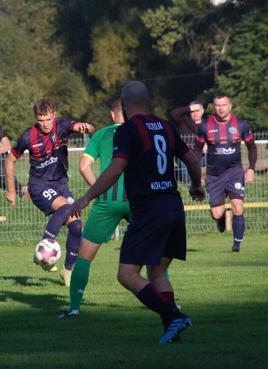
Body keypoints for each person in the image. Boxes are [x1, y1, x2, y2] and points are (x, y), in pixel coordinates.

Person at [71, 81, 205, 344]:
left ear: (122, 102)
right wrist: (197, 185)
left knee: (127, 275)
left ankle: (173, 314)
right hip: (174, 207)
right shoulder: (166, 126)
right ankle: (173, 332)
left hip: (149, 209)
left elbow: (115, 168)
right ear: (148, 101)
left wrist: (87, 196)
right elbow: (192, 159)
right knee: (157, 272)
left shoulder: (128, 130)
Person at [5, 98, 94, 287]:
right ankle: (43, 250)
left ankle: (67, 271)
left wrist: (86, 127)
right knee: (67, 208)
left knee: (77, 226)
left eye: (48, 119)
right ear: (36, 119)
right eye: (41, 120)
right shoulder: (28, 136)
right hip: (39, 186)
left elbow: (78, 126)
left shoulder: (61, 125)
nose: (45, 124)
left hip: (61, 185)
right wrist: (11, 191)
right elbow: (10, 161)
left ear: (54, 114)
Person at [59, 96, 131, 318]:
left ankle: (74, 307)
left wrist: (101, 187)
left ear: (112, 114)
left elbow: (83, 166)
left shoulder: (101, 134)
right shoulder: (139, 132)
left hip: (107, 202)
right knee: (152, 252)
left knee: (84, 256)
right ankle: (168, 303)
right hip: (136, 200)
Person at [194, 94, 257, 252]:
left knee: (237, 206)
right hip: (214, 175)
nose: (220, 108)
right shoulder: (204, 126)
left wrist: (251, 169)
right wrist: (195, 174)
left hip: (234, 171)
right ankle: (220, 219)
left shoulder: (240, 125)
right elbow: (196, 150)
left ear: (230, 106)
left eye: (223, 105)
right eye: (217, 105)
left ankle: (236, 245)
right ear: (213, 107)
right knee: (216, 213)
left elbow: (252, 147)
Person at [170, 101, 207, 182]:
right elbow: (173, 114)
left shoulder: (207, 124)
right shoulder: (183, 122)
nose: (195, 113)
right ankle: (190, 182)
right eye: (192, 111)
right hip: (185, 154)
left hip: (203, 156)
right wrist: (189, 108)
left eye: (197, 111)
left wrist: (208, 145)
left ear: (202, 111)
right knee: (185, 161)